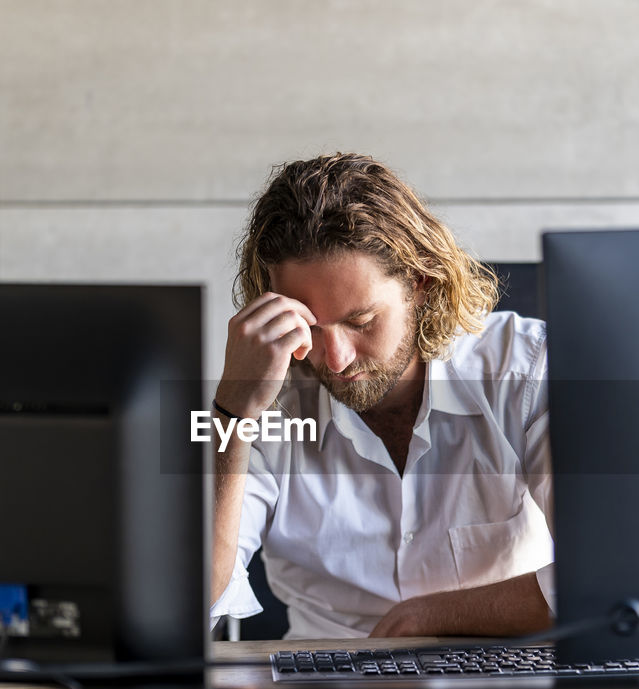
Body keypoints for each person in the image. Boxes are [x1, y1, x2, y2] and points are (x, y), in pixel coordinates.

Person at [209, 153, 554, 639]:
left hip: (498, 685)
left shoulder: (522, 368)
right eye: (308, 325)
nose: (335, 359)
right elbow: (193, 607)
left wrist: (433, 617)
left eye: (361, 322)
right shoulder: (269, 401)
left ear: (420, 285)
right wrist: (232, 414)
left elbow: (604, 575)